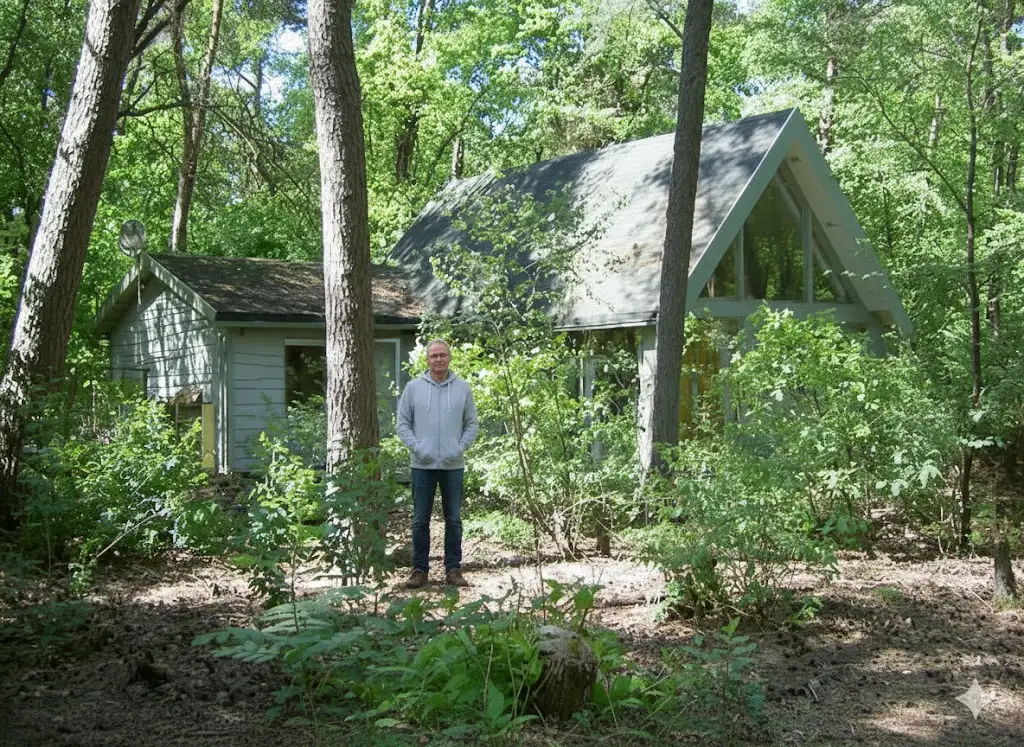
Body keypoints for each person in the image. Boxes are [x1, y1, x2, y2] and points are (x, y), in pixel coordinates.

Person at [396, 339, 478, 588]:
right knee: (420, 520)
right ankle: (420, 570)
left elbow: (472, 424)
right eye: (434, 356)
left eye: (442, 355)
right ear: (427, 360)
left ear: (450, 357)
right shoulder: (413, 388)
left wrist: (459, 448)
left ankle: (453, 570)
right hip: (422, 466)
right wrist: (419, 448)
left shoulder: (463, 388)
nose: (438, 359)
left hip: (454, 465)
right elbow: (402, 425)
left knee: (453, 520)